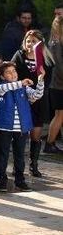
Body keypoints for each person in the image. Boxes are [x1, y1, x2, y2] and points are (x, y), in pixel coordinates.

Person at [0, 61, 44, 192]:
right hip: (5, 127)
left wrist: (40, 81)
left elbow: (37, 95)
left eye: (14, 71)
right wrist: (21, 83)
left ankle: (20, 180)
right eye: (8, 72)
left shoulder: (24, 88)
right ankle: (2, 180)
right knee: (3, 154)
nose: (12, 74)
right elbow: (4, 89)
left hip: (21, 128)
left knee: (20, 155)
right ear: (3, 76)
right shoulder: (1, 86)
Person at [10, 29, 49, 178]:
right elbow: (11, 73)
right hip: (22, 98)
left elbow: (48, 78)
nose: (30, 44)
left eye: (33, 41)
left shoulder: (46, 59)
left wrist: (42, 77)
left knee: (36, 134)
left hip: (39, 100)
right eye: (28, 41)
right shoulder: (19, 56)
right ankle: (18, 166)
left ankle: (34, 165)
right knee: (20, 135)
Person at [46, 16, 63, 154]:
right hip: (59, 84)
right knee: (59, 115)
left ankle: (50, 143)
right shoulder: (56, 43)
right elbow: (59, 66)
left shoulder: (54, 42)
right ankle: (50, 143)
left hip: (57, 84)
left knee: (59, 115)